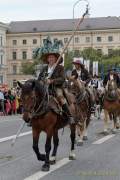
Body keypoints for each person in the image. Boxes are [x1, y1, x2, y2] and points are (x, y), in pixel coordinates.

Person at [38, 38, 74, 124]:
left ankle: (69, 116)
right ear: (47, 59)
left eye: (52, 57)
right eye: (49, 57)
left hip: (56, 87)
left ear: (55, 58)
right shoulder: (44, 68)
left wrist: (52, 81)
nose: (50, 59)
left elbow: (62, 79)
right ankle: (33, 116)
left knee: (60, 97)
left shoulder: (60, 68)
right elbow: (39, 78)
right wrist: (42, 81)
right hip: (44, 88)